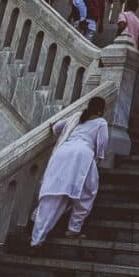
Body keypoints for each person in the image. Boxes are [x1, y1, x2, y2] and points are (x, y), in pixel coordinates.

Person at [30, 95, 108, 247]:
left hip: (62, 154)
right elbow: (102, 145)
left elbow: (56, 128)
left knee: (52, 194)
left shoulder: (77, 116)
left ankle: (36, 239)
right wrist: (99, 159)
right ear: (101, 110)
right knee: (87, 192)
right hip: (82, 155)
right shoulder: (101, 122)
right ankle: (74, 228)